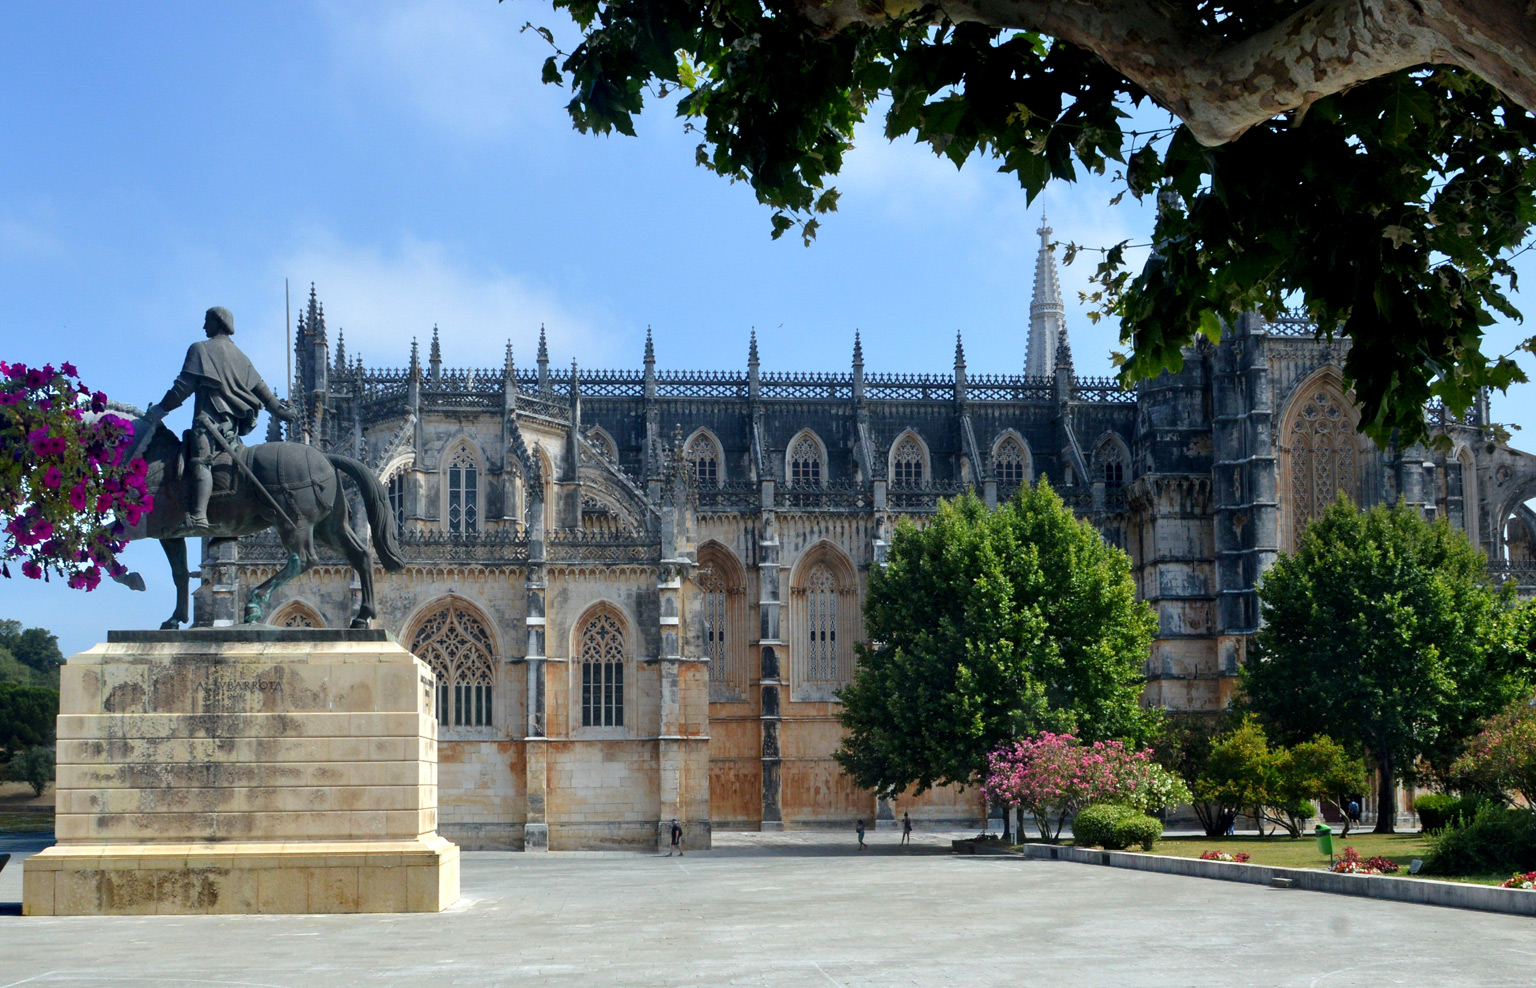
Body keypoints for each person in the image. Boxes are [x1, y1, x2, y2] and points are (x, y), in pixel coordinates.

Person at [144, 307, 295, 533]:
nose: (204, 327)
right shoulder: (242, 357)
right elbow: (262, 391)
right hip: (231, 429)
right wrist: (282, 412)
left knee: (200, 461)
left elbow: (183, 387)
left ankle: (199, 515)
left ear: (218, 322)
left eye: (207, 321)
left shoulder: (201, 349)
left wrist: (160, 409)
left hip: (208, 424)